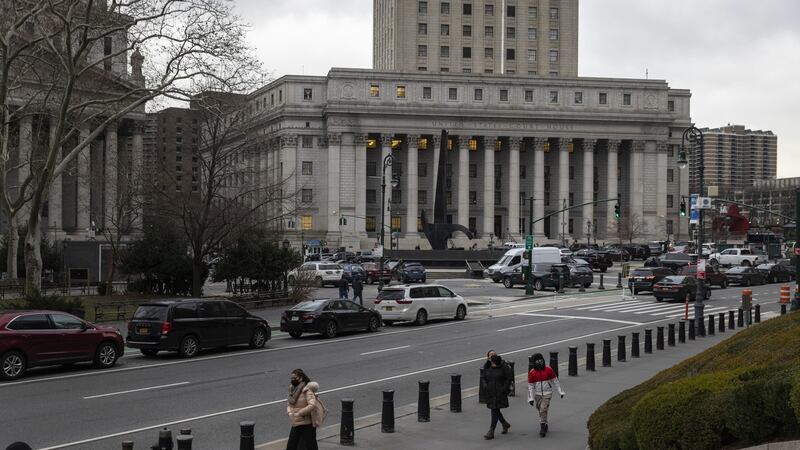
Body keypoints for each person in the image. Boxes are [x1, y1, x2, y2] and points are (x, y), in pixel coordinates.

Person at [527, 353, 565, 437]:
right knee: (540, 410)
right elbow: (530, 386)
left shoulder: (548, 369)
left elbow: (555, 381)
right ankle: (545, 422)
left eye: (540, 359)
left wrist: (560, 391)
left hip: (547, 393)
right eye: (536, 360)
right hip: (537, 394)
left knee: (543, 409)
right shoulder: (532, 372)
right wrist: (531, 398)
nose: (539, 362)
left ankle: (542, 428)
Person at [285, 369, 320, 450]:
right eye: (291, 378)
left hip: (307, 424)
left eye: (295, 378)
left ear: (301, 378)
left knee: (311, 445)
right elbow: (289, 404)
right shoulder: (292, 389)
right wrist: (290, 412)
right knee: (291, 445)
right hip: (296, 423)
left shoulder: (307, 390)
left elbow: (312, 405)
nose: (292, 380)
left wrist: (300, 413)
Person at [481, 353, 512, 440]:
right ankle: (504, 424)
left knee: (494, 409)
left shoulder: (503, 366)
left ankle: (491, 431)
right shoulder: (487, 366)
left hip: (499, 392)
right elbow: (483, 377)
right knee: (495, 409)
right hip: (491, 392)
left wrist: (504, 389)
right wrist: (485, 386)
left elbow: (509, 378)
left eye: (492, 356)